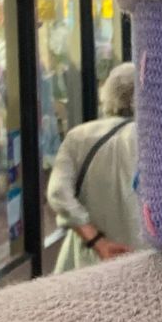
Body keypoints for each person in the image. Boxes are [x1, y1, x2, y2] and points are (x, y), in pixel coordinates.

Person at [47, 63, 143, 271]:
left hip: (86, 264)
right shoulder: (156, 141)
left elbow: (57, 193)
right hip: (142, 261)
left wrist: (97, 241)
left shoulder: (79, 137)